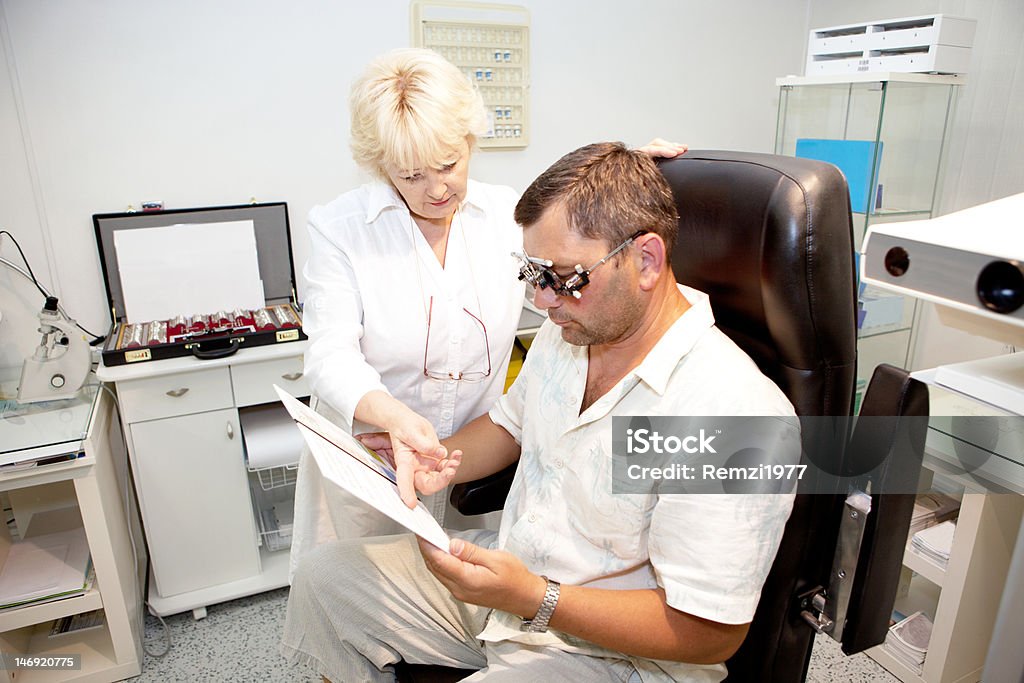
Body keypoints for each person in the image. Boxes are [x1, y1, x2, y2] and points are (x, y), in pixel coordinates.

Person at [281, 142, 798, 681]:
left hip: (615, 653)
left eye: (566, 279)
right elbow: (510, 425)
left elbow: (706, 632)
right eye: (535, 274)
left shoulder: (731, 414)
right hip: (516, 583)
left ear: (646, 261)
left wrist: (534, 597)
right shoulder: (574, 331)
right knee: (326, 578)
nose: (546, 303)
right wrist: (432, 451)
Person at [292, 46, 686, 577]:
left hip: (468, 455)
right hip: (375, 453)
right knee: (353, 594)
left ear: (470, 140)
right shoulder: (341, 229)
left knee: (459, 587)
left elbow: (575, 241)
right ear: (380, 164)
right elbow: (330, 355)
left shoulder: (503, 215)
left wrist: (629, 175)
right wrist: (394, 418)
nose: (435, 190)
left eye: (448, 165)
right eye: (409, 176)